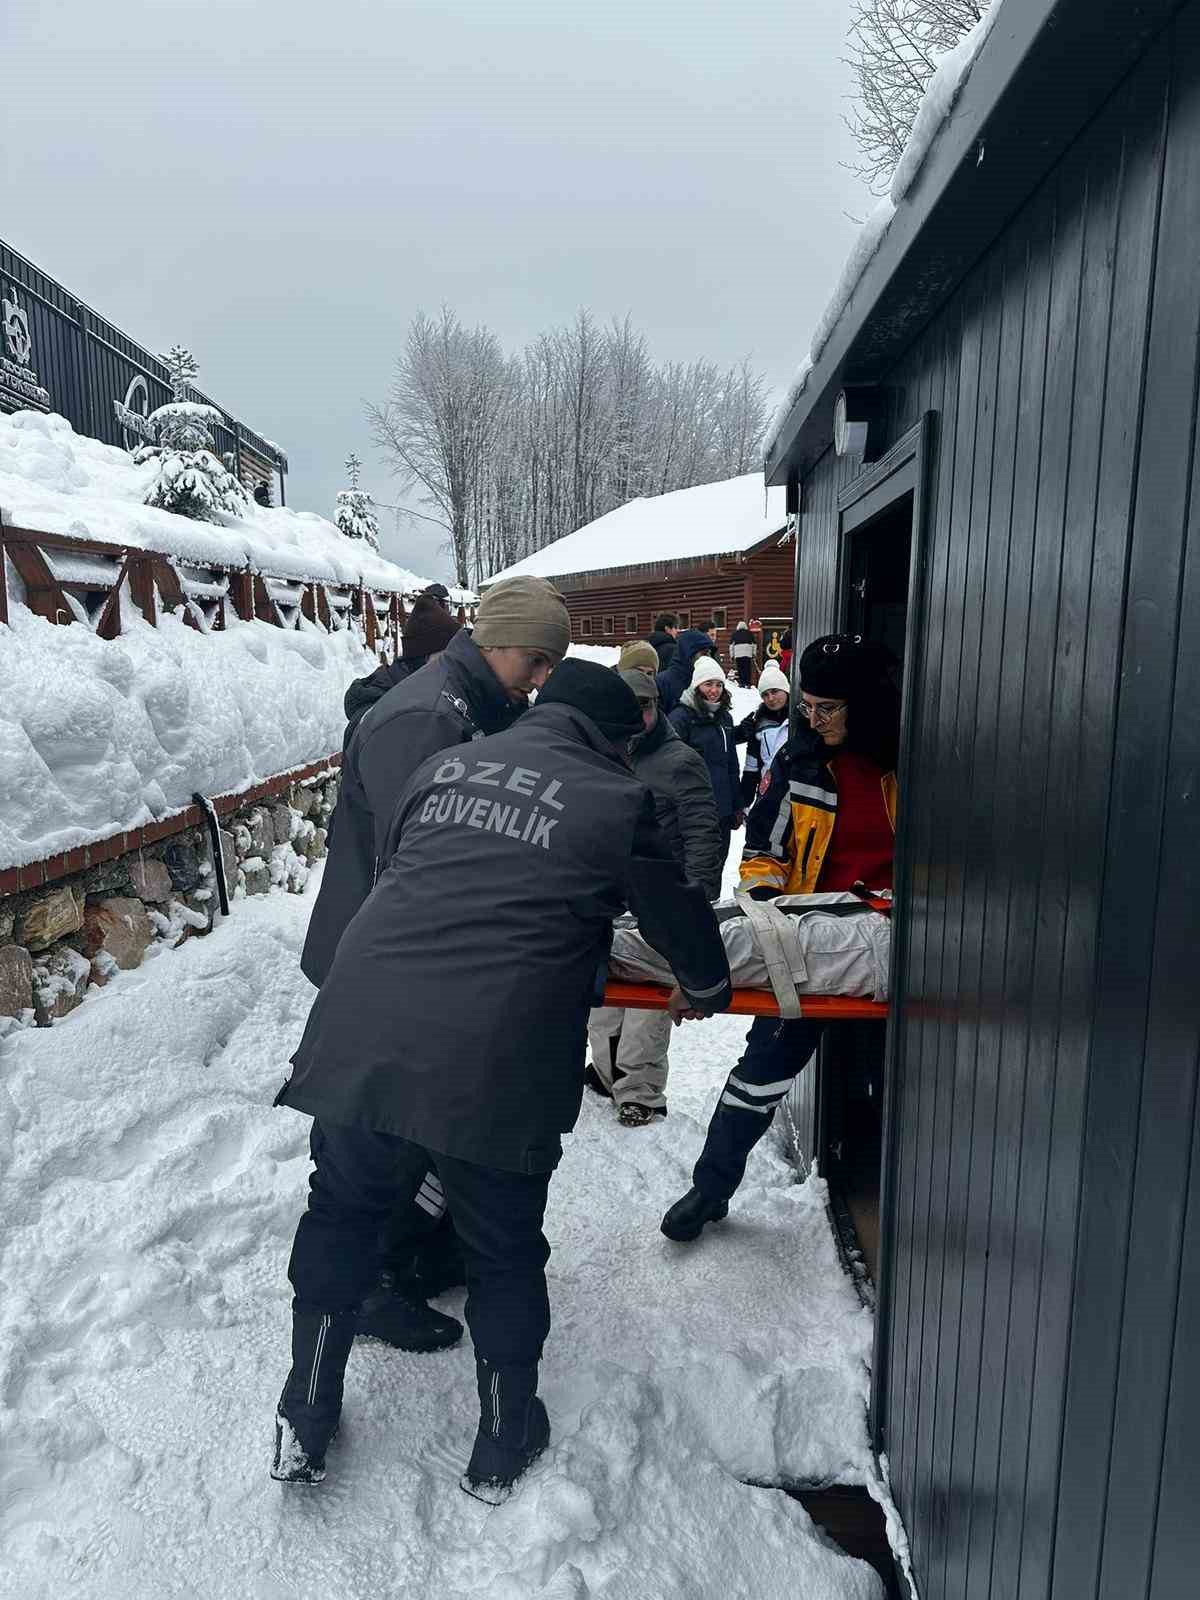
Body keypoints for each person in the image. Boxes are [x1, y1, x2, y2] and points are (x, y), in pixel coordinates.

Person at [271, 662, 732, 1496]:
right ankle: (503, 1434)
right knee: (502, 1250)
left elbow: (412, 883)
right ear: (619, 738)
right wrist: (703, 989)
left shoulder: (439, 767)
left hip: (360, 1030)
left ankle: (303, 1417)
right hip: (496, 1061)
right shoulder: (619, 801)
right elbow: (681, 923)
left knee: (339, 1218)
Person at [304, 575, 571, 1351]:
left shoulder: (473, 705)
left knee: (428, 1115)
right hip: (385, 960)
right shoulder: (425, 718)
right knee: (389, 1125)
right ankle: (377, 1282)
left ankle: (420, 1249)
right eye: (537, 661)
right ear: (499, 645)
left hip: (417, 960)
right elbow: (415, 867)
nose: (542, 679)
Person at [660, 634, 899, 1243]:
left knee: (890, 1075)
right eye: (807, 707)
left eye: (828, 709)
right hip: (806, 933)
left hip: (886, 942)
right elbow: (762, 849)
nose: (813, 720)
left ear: (865, 704)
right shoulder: (798, 764)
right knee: (764, 1066)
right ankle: (711, 1188)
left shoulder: (907, 765)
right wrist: (766, 903)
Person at [587, 668, 724, 1124]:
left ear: (656, 707)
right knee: (605, 1000)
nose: (637, 717)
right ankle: (607, 1073)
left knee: (647, 1004)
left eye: (645, 707)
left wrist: (696, 902)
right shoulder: (605, 750)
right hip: (612, 898)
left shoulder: (679, 760)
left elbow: (703, 830)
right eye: (629, 709)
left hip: (662, 900)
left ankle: (641, 1091)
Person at [341, 590, 462, 749]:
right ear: (424, 657)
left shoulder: (426, 689)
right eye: (447, 656)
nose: (455, 663)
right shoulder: (384, 712)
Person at [668, 655, 744, 863]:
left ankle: (715, 897)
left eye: (719, 684)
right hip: (693, 810)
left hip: (722, 808)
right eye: (708, 684)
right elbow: (670, 768)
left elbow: (732, 766)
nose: (714, 690)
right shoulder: (680, 718)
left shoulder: (724, 718)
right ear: (696, 685)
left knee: (718, 862)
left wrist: (737, 805)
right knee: (696, 866)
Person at [733, 660, 790, 808]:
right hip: (769, 794)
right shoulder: (757, 722)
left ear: (786, 690)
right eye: (765, 694)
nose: (771, 698)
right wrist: (745, 802)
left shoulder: (799, 717)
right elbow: (751, 767)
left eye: (775, 691)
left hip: (796, 794)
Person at [654, 625, 717, 713]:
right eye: (704, 653)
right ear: (689, 653)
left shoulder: (710, 681)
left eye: (711, 653)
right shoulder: (663, 682)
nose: (709, 657)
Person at [728, 620, 758, 688]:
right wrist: (754, 653)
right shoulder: (749, 633)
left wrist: (732, 655)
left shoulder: (735, 634)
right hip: (748, 654)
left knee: (740, 668)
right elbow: (754, 644)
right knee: (747, 669)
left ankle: (741, 683)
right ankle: (747, 683)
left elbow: (731, 646)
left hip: (738, 654)